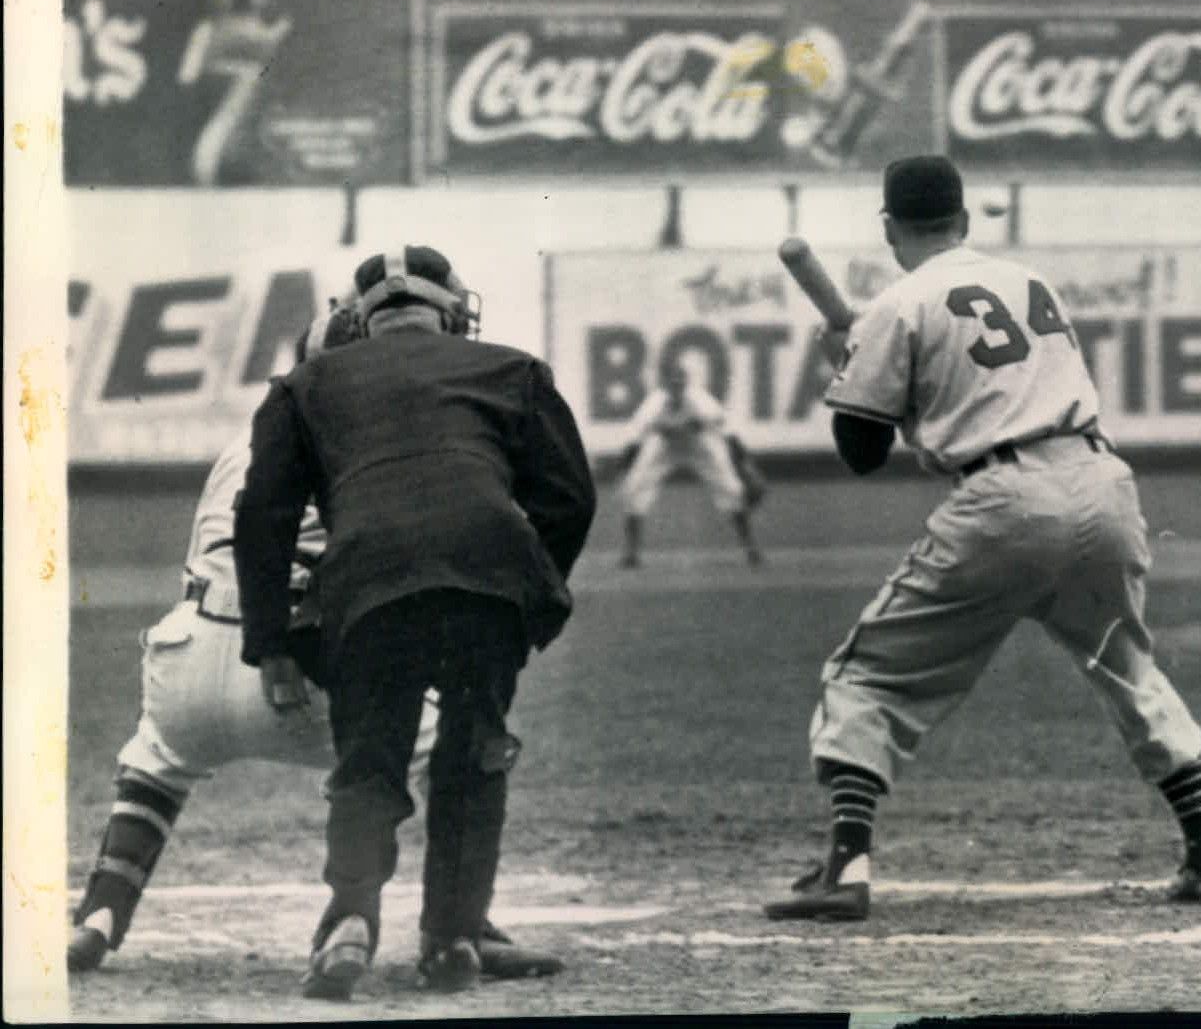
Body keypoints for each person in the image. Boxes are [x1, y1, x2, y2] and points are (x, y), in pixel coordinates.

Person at [764, 155, 1201, 922]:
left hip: (1006, 500)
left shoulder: (897, 302)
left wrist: (850, 369)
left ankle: (847, 865)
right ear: (964, 219)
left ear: (889, 227)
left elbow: (861, 451)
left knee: (869, 677)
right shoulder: (1030, 283)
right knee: (1123, 660)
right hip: (1100, 479)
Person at [66, 307, 560, 981]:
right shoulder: (368, 437)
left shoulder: (247, 437)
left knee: (153, 763)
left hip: (190, 656)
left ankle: (99, 913)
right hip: (297, 679)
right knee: (457, 746)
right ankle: (460, 925)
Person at [235, 247, 595, 999]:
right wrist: (528, 589)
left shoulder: (304, 384)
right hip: (487, 575)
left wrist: (269, 642)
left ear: (359, 321)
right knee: (474, 753)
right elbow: (570, 499)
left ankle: (350, 918)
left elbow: (263, 516)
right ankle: (452, 935)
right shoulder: (511, 369)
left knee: (369, 758)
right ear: (451, 308)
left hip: (369, 579)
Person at [613, 361, 766, 568]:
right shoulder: (653, 404)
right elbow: (634, 441)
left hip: (700, 445)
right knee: (634, 488)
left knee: (732, 490)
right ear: (664, 383)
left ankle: (751, 548)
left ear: (686, 381)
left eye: (680, 379)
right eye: (672, 380)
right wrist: (622, 472)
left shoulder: (701, 401)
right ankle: (631, 552)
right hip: (664, 447)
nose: (677, 383)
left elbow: (728, 434)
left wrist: (747, 466)